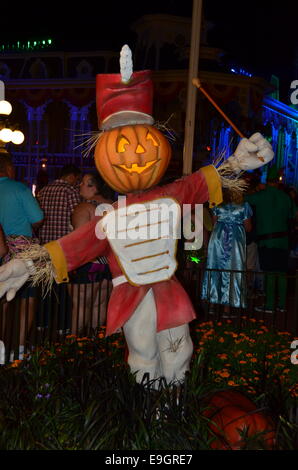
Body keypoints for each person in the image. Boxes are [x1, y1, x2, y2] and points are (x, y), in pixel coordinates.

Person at [0, 50, 274, 386]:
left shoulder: (170, 196)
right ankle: (149, 415)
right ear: (102, 153)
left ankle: (173, 415)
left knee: (179, 353)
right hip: (130, 296)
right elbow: (73, 247)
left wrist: (237, 163)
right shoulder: (108, 219)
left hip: (168, 292)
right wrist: (27, 266)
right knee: (142, 356)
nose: (137, 152)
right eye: (121, 143)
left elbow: (203, 182)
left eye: (145, 139)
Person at [0, 151, 44, 354]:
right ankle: (18, 347)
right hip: (22, 252)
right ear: (9, 169)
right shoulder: (19, 189)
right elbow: (37, 219)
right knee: (28, 297)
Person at [245, 165, 296, 313]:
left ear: (266, 180)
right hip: (283, 241)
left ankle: (269, 305)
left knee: (269, 272)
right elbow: (293, 215)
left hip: (267, 241)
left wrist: (256, 189)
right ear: (278, 181)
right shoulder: (285, 197)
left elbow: (244, 199)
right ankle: (281, 305)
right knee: (281, 273)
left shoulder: (261, 195)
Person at [70, 172, 114, 333]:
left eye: (83, 183)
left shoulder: (84, 207)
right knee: (100, 304)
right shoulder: (115, 206)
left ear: (94, 188)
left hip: (88, 262)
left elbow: (79, 239)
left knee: (80, 306)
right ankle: (95, 345)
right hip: (109, 262)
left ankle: (73, 346)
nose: (79, 185)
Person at [201, 188, 252, 316]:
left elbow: (214, 223)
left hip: (218, 239)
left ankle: (212, 304)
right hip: (235, 241)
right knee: (232, 269)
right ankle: (227, 308)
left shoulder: (218, 205)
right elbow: (248, 227)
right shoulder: (244, 206)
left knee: (215, 267)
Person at [37, 164, 81, 244]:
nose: (78, 184)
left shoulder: (44, 190)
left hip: (45, 242)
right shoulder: (70, 191)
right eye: (77, 180)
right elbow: (77, 216)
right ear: (71, 177)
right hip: (64, 242)